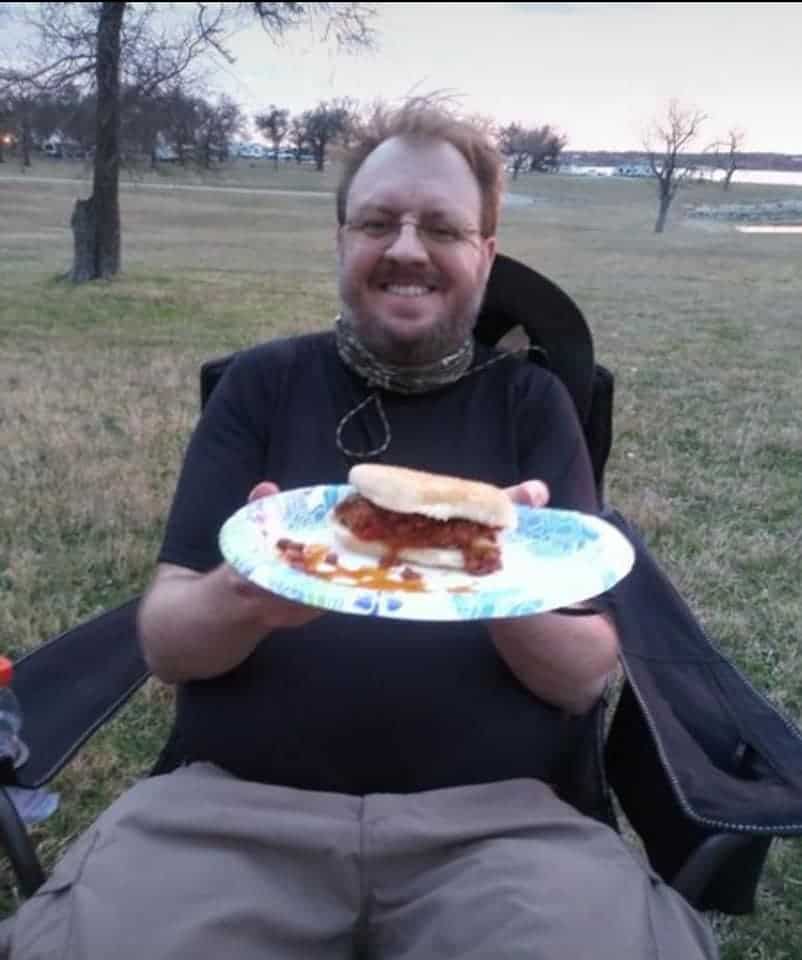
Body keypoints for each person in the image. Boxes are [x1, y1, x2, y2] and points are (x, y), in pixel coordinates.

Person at [4, 104, 719, 959]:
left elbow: (578, 679)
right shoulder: (261, 387)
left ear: (484, 256)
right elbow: (166, 643)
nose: (408, 248)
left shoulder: (533, 404)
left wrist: (490, 578)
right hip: (230, 817)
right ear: (341, 240)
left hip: (503, 830)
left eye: (443, 227)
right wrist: (247, 596)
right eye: (378, 221)